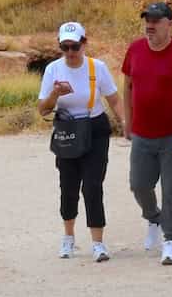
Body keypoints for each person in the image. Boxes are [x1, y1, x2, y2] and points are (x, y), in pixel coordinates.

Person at [37, 20, 126, 262]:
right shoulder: (53, 70)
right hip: (67, 130)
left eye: (74, 47)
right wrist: (55, 94)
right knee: (68, 186)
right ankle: (68, 237)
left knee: (93, 186)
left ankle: (98, 243)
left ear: (84, 43)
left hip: (94, 129)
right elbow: (42, 110)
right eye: (64, 47)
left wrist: (126, 123)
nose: (70, 53)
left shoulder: (97, 68)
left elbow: (114, 100)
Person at [121, 1, 172, 266]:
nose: (150, 25)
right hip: (143, 134)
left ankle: (170, 241)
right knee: (139, 185)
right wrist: (127, 120)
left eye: (156, 21)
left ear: (170, 24)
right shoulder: (134, 49)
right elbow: (128, 86)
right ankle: (154, 218)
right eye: (147, 20)